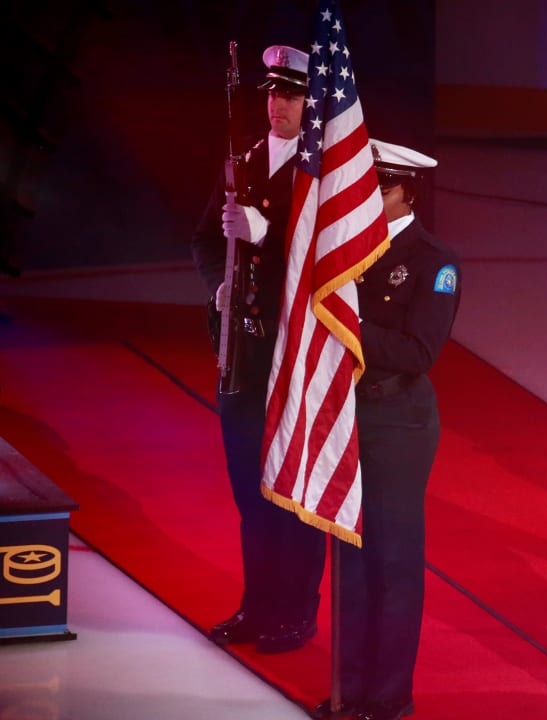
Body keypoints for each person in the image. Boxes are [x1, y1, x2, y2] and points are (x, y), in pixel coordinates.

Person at [311, 140, 461, 720]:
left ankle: (390, 696)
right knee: (348, 559)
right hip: (343, 413)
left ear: (406, 191)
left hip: (396, 418)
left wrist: (347, 320)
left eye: (381, 186)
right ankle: (348, 692)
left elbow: (417, 350)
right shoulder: (344, 250)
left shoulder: (432, 260)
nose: (368, 196)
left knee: (392, 561)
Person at [191, 44, 326, 654]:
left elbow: (326, 257)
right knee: (250, 495)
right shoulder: (242, 161)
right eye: (272, 93)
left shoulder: (322, 171)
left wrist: (266, 234)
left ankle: (296, 611)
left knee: (290, 498)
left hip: (289, 356)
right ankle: (257, 604)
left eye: (291, 95)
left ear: (310, 102)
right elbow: (204, 237)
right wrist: (218, 280)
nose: (278, 105)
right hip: (241, 361)